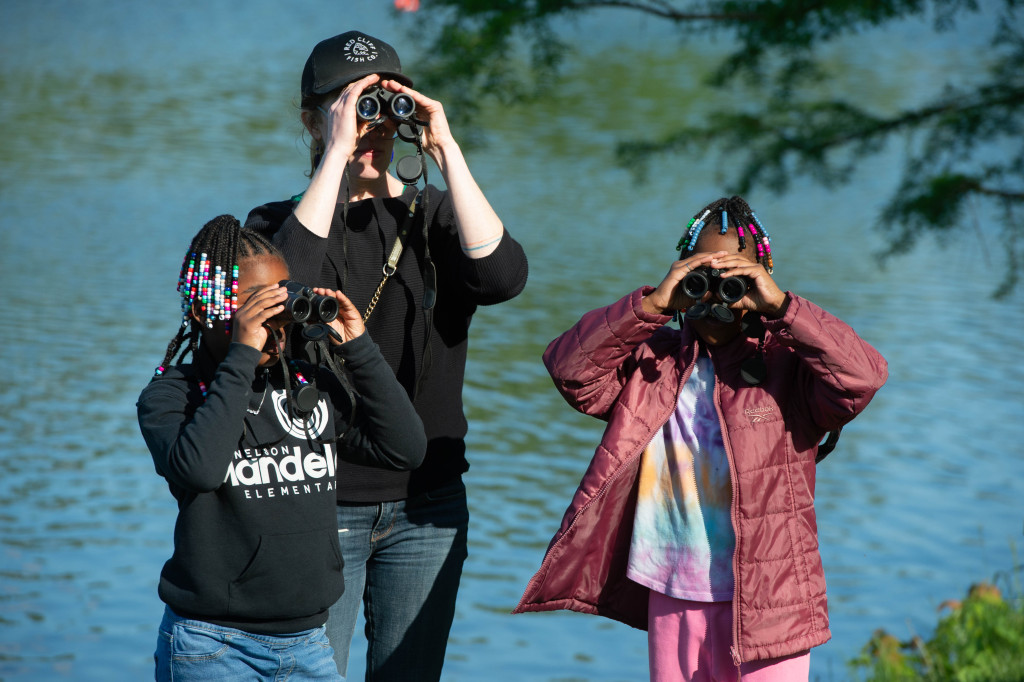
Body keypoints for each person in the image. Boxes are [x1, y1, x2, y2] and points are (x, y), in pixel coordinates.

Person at [243, 30, 529, 681]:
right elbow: (282, 288)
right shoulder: (272, 225)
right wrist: (337, 153)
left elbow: (503, 277)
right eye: (350, 104)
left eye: (381, 104)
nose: (371, 124)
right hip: (318, 497)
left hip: (428, 505)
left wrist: (447, 148)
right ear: (311, 118)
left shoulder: (435, 216)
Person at [513, 196, 888, 681]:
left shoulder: (788, 371)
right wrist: (652, 304)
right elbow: (570, 369)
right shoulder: (655, 366)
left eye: (734, 280)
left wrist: (781, 308)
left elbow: (863, 376)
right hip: (670, 588)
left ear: (760, 278)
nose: (715, 296)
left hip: (769, 599)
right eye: (700, 277)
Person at [137, 215, 426, 681]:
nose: (274, 318)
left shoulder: (307, 386)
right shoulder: (174, 395)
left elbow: (405, 450)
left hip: (310, 643)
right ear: (202, 311)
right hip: (214, 644)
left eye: (281, 297)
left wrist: (359, 347)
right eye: (255, 304)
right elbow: (200, 471)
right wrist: (241, 355)